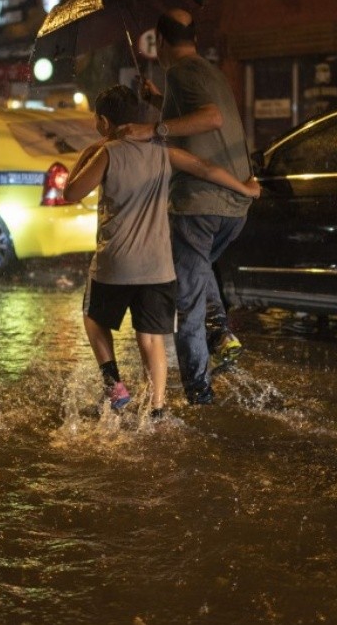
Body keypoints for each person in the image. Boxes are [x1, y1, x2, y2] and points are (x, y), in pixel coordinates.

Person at [64, 85, 259, 418]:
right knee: (152, 338)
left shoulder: (106, 153)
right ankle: (156, 411)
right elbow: (204, 168)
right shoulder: (162, 151)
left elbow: (71, 192)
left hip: (116, 264)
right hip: (159, 269)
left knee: (93, 316)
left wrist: (94, 149)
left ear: (104, 122)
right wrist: (245, 188)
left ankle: (114, 385)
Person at [121, 7, 255, 406]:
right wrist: (159, 101)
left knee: (186, 301)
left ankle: (200, 395)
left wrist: (154, 128)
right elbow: (203, 113)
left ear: (160, 41)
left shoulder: (179, 72)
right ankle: (221, 334)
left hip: (200, 203)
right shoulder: (211, 72)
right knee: (196, 271)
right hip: (234, 206)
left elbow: (210, 118)